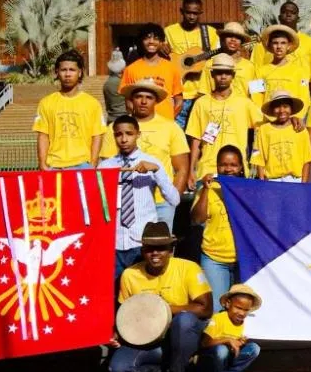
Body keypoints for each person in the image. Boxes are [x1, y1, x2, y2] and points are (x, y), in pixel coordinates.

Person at [110, 222, 213, 372]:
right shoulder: (129, 275)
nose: (155, 253)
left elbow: (205, 308)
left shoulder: (189, 268)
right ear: (143, 250)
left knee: (185, 320)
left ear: (171, 250)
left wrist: (160, 309)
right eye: (149, 248)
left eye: (161, 248)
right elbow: (125, 317)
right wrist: (117, 334)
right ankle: (171, 369)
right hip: (149, 342)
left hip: (180, 337)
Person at [98, 115, 180, 286]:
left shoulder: (152, 163)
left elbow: (174, 199)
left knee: (141, 292)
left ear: (138, 134)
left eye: (129, 133)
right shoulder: (106, 167)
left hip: (141, 241)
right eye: (118, 134)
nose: (124, 139)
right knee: (114, 292)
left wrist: (156, 172)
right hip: (114, 241)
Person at [101, 79, 190, 229]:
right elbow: (107, 169)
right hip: (127, 203)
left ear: (156, 101)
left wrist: (172, 200)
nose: (143, 101)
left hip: (161, 203)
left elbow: (182, 168)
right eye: (138, 97)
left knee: (159, 250)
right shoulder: (115, 128)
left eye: (149, 97)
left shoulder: (171, 128)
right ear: (131, 100)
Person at [186, 54, 265, 189]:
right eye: (219, 73)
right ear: (212, 74)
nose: (223, 77)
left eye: (227, 73)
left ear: (233, 75)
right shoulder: (201, 103)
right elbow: (195, 139)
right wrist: (191, 170)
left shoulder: (244, 103)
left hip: (236, 169)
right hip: (207, 168)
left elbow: (262, 127)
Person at [33, 50, 106, 170]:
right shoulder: (46, 103)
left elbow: (97, 135)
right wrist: (42, 163)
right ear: (57, 72)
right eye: (63, 70)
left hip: (82, 164)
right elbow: (43, 135)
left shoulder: (92, 103)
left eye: (72, 70)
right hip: (54, 165)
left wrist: (92, 163)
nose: (67, 74)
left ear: (80, 72)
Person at [191, 145, 245, 305]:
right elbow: (196, 219)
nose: (228, 169)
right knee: (216, 308)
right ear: (217, 166)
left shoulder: (249, 189)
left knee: (241, 308)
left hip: (242, 258)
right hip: (214, 259)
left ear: (241, 167)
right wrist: (206, 190)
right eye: (223, 165)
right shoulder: (208, 189)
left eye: (233, 165)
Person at [163, 0, 221, 127]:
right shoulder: (169, 31)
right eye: (188, 12)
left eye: (195, 13)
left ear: (200, 13)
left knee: (200, 136)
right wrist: (161, 47)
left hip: (202, 93)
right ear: (181, 11)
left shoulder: (210, 33)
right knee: (177, 137)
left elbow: (218, 57)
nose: (191, 16)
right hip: (178, 95)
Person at [197, 284, 262, 372]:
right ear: (228, 304)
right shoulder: (219, 318)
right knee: (221, 350)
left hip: (228, 359)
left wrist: (240, 342)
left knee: (254, 348)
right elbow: (204, 343)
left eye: (246, 310)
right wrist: (227, 340)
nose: (242, 313)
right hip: (212, 359)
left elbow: (235, 343)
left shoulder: (241, 323)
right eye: (238, 308)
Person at [251, 1, 311, 97]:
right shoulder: (263, 44)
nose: (288, 14)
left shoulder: (309, 42)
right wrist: (257, 105)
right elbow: (255, 72)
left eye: (292, 12)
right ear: (279, 17)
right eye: (285, 12)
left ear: (298, 18)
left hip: (301, 94)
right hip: (270, 99)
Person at [119, 24, 184, 120]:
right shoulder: (131, 69)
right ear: (141, 41)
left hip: (164, 126)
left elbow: (179, 101)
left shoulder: (172, 68)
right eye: (147, 38)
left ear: (162, 42)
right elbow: (128, 102)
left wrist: (168, 121)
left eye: (156, 39)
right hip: (141, 126)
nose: (151, 42)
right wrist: (139, 119)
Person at [253, 91, 311, 182]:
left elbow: (307, 160)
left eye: (285, 106)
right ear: (272, 109)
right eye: (277, 107)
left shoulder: (299, 129)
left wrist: (303, 185)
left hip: (295, 180)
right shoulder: (263, 130)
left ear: (291, 109)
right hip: (272, 181)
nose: (281, 111)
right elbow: (259, 160)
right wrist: (262, 182)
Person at [252, 24, 310, 118]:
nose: (279, 47)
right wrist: (266, 117)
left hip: (291, 122)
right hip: (267, 122)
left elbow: (304, 97)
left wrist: (297, 117)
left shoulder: (300, 71)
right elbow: (255, 97)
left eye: (283, 43)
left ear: (289, 46)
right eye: (275, 43)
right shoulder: (260, 71)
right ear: (270, 46)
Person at [217, 22, 257, 98]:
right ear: (222, 39)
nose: (233, 39)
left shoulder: (251, 66)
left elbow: (258, 94)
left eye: (237, 37)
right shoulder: (211, 64)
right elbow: (205, 93)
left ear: (242, 42)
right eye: (229, 36)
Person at [103, 49, 128, 123]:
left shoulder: (106, 84)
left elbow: (107, 104)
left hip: (111, 117)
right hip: (123, 118)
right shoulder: (122, 83)